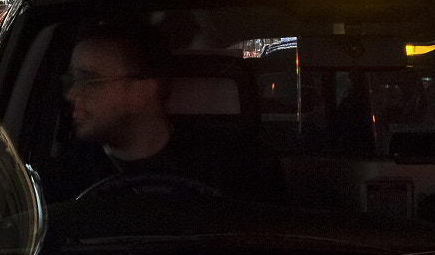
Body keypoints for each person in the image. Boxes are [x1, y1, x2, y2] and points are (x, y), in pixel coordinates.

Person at [40, 21, 284, 204]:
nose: (71, 94)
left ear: (144, 90)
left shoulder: (236, 167)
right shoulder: (59, 182)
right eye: (71, 80)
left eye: (89, 81)